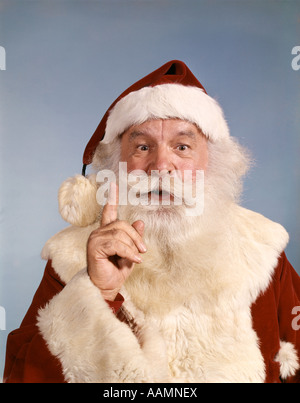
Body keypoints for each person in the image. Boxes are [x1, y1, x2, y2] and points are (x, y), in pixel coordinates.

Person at [3, 60, 300, 383]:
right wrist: (97, 293)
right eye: (142, 147)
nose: (160, 166)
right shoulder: (71, 257)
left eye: (182, 147)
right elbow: (21, 375)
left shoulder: (262, 249)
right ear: (117, 165)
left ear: (214, 163)